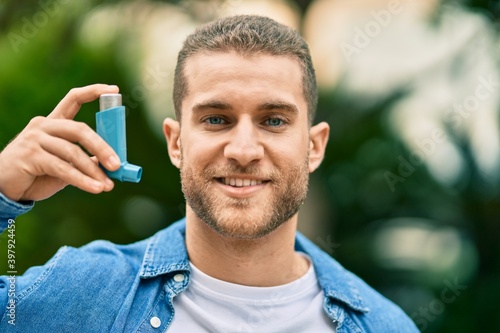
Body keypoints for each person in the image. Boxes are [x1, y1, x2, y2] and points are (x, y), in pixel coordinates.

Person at [0, 15, 418, 332]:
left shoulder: (386, 326)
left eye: (273, 121)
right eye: (216, 119)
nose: (243, 151)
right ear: (176, 143)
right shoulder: (88, 293)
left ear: (314, 147)